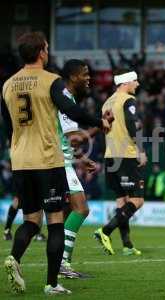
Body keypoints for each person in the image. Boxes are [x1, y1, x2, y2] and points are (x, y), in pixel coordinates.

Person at [1, 32, 112, 295]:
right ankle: (52, 283)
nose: (48, 52)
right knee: (54, 222)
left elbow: (8, 127)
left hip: (20, 160)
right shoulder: (51, 81)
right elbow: (71, 110)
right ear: (41, 52)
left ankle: (14, 258)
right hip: (48, 160)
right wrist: (99, 122)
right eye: (47, 48)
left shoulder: (7, 85)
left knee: (30, 220)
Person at [94, 70, 147, 256]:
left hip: (110, 155)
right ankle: (105, 231)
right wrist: (140, 150)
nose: (137, 84)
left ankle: (127, 244)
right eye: (135, 80)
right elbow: (132, 124)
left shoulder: (106, 102)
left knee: (121, 200)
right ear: (126, 83)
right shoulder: (127, 100)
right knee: (137, 200)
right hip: (126, 155)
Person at [57, 59, 101, 279]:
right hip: (59, 163)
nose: (88, 78)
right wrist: (99, 126)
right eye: (85, 74)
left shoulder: (66, 98)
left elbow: (65, 140)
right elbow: (73, 139)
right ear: (73, 77)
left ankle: (60, 264)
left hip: (62, 160)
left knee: (63, 213)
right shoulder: (65, 99)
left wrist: (81, 159)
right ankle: (62, 263)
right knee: (80, 208)